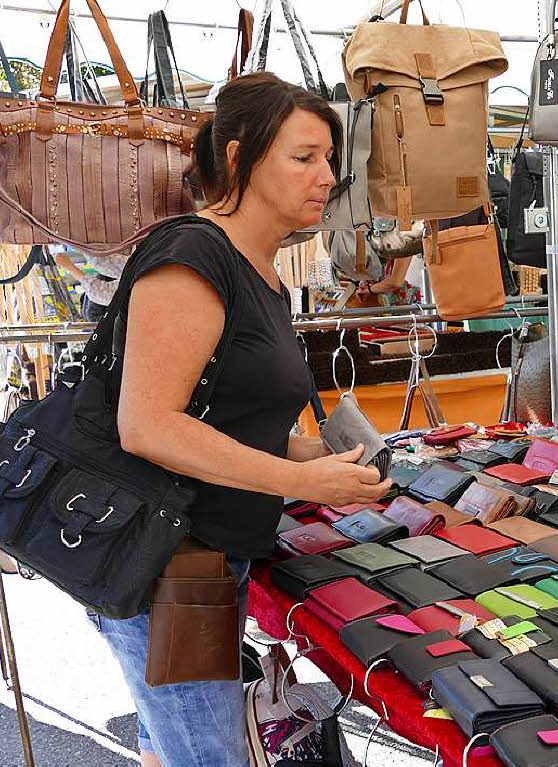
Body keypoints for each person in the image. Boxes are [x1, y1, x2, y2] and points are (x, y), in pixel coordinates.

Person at [91, 72, 392, 767]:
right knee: (209, 756)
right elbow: (149, 425)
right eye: (304, 156)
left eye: (329, 158)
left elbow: (225, 413)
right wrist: (299, 477)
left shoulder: (263, 271)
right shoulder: (194, 256)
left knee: (174, 743)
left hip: (205, 556)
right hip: (171, 565)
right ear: (236, 157)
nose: (327, 175)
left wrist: (312, 452)